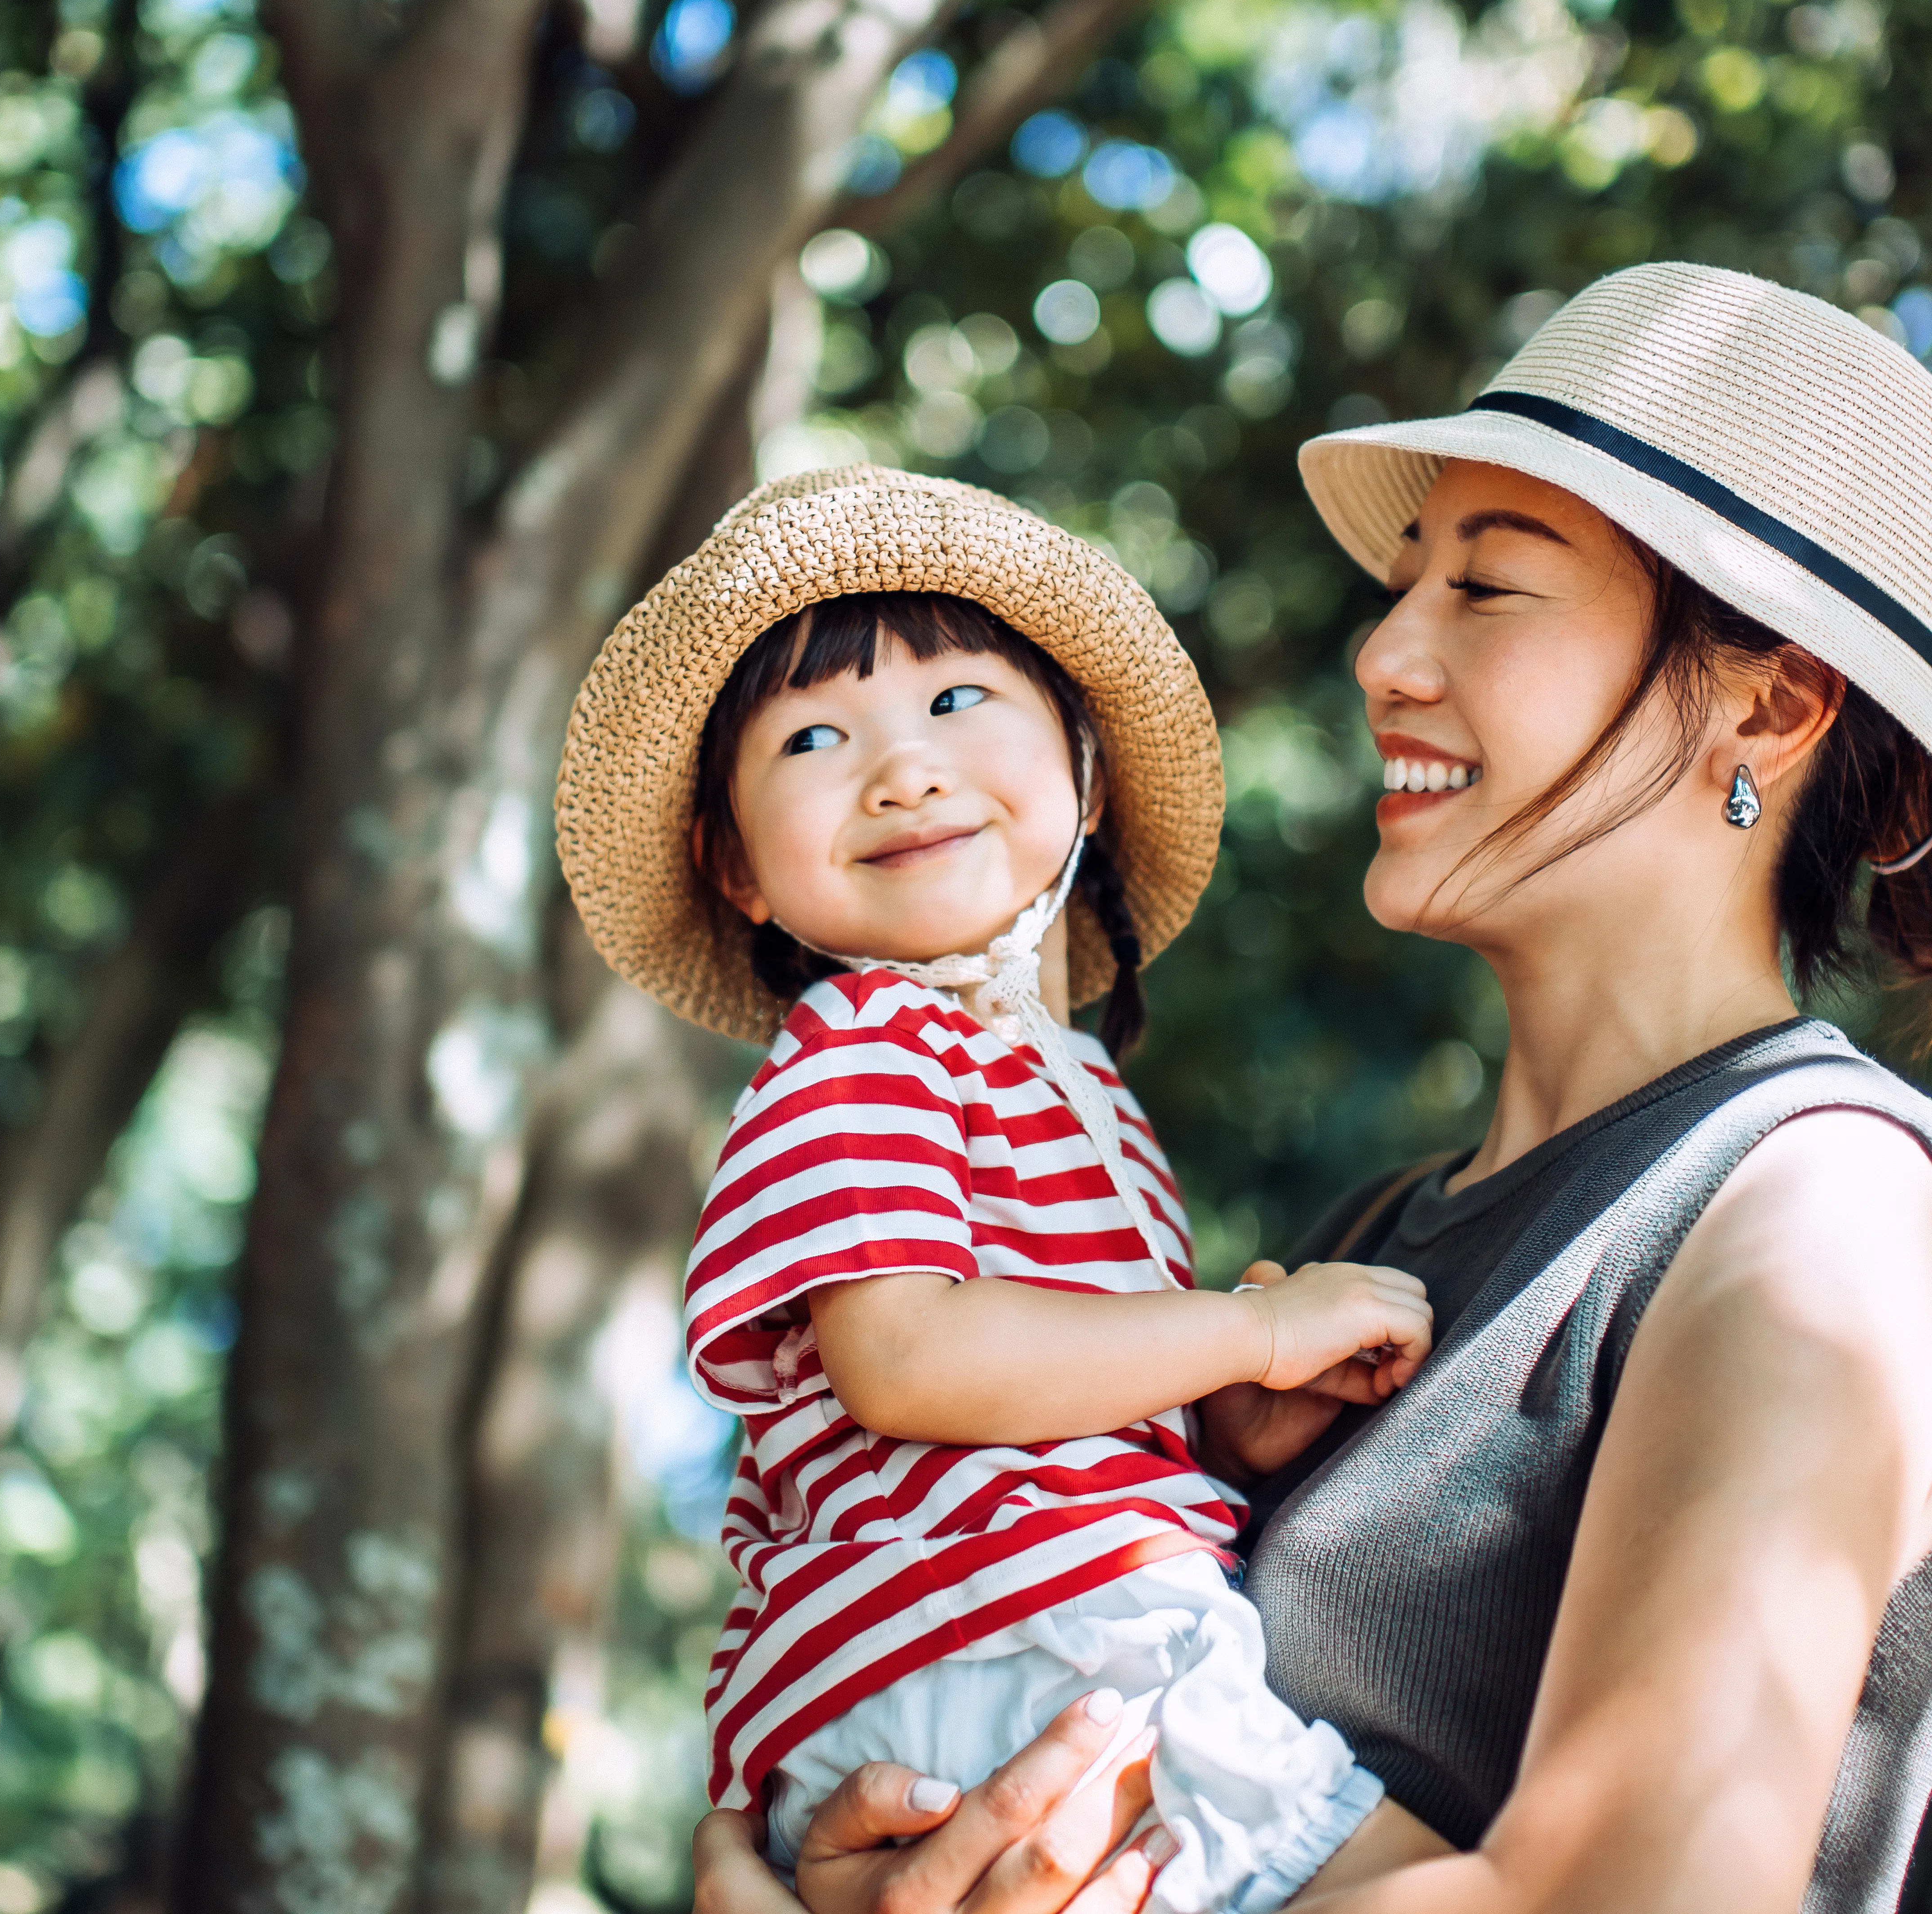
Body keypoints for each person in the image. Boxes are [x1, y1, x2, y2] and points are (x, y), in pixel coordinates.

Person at [688, 262, 1932, 1914]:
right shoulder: (1373, 1241)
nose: (1386, 653)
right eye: (1409, 581)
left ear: (1764, 703)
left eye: (1489, 591)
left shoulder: (1816, 1202)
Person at [554, 464, 1443, 1914]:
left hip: (1020, 1623)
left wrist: (1232, 1411)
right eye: (817, 738)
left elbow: (1050, 1370)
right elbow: (907, 1356)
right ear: (738, 867)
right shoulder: (863, 1043)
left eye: (959, 703)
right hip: (991, 1627)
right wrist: (1247, 1331)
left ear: (1083, 771)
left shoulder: (1072, 1084)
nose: (902, 769)